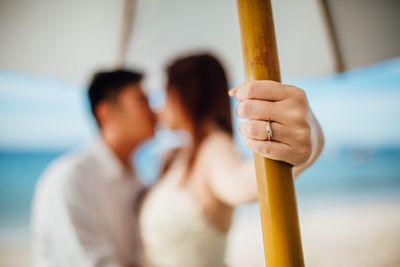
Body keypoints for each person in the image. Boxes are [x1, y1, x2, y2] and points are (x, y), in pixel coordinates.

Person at [139, 53, 324, 267]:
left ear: (186, 96)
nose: (159, 107)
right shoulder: (179, 155)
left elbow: (244, 182)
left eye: (166, 94)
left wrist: (309, 144)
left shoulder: (215, 148)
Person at [32, 70, 156, 267]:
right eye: (142, 101)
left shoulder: (135, 180)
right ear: (107, 112)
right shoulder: (71, 179)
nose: (154, 111)